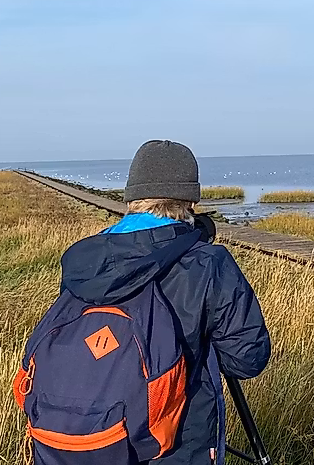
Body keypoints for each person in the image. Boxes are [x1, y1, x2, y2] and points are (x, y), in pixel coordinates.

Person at [22, 140, 270, 464]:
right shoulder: (209, 263)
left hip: (85, 439)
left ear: (131, 198)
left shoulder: (88, 260)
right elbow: (247, 360)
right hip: (177, 446)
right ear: (190, 201)